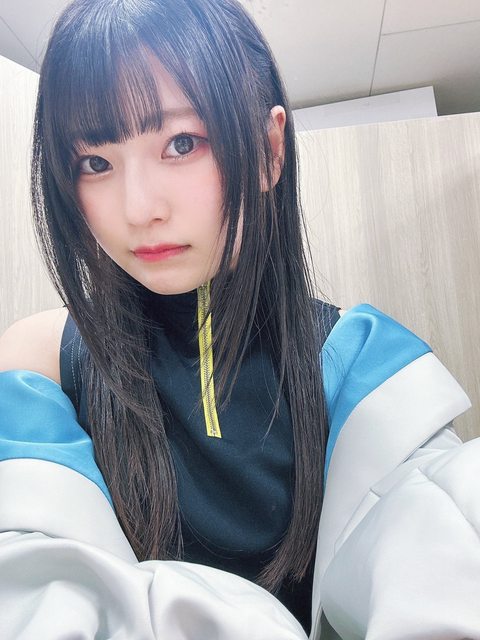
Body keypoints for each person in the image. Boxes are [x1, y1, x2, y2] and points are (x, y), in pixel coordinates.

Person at [0, 0, 479, 638]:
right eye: (95, 162)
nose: (138, 208)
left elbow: (436, 548)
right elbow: (30, 578)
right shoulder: (41, 363)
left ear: (267, 150)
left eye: (181, 144)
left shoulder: (358, 361)